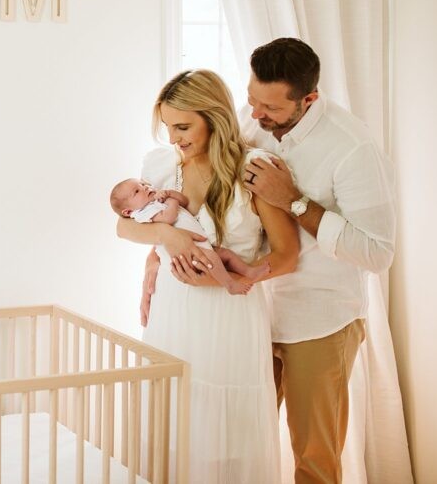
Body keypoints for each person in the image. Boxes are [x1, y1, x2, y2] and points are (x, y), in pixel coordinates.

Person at [144, 38, 397, 484]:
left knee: (313, 458)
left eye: (270, 108)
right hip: (249, 317)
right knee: (238, 444)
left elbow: (377, 251)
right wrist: (157, 258)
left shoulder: (352, 147)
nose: (256, 115)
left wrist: (295, 202)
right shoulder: (251, 122)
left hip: (316, 317)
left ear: (308, 99)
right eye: (251, 100)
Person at [117, 69, 300, 483]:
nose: (173, 138)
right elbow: (128, 225)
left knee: (224, 436)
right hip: (172, 312)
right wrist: (157, 250)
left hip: (228, 315)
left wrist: (221, 279)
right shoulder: (161, 166)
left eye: (183, 127)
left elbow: (287, 256)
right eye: (167, 126)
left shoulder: (253, 170)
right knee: (174, 424)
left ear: (214, 118)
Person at [109, 178, 270, 294]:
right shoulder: (144, 213)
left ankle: (249, 272)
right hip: (188, 251)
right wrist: (171, 202)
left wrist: (171, 194)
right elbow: (169, 218)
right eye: (137, 191)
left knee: (225, 255)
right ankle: (229, 285)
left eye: (143, 184)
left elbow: (184, 201)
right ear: (128, 212)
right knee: (212, 259)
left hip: (197, 242)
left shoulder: (156, 200)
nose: (144, 188)